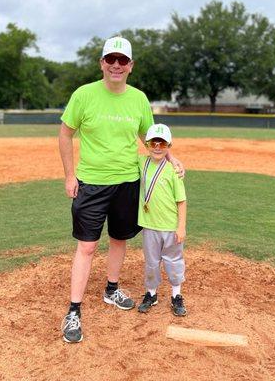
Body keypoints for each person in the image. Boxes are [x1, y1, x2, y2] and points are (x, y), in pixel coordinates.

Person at [58, 36, 183, 343]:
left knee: (118, 239)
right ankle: (74, 310)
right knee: (87, 246)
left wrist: (171, 157)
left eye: (122, 60)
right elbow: (65, 134)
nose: (116, 65)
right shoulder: (84, 95)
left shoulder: (139, 99)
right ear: (102, 63)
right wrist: (70, 175)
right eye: (110, 59)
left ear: (131, 66)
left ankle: (111, 289)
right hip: (91, 183)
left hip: (128, 182)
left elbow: (150, 138)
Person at [136, 124, 187, 317]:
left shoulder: (173, 171)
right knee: (151, 262)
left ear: (169, 145)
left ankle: (176, 295)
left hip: (170, 227)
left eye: (162, 142)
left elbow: (181, 201)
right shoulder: (141, 162)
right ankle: (151, 294)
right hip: (149, 226)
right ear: (147, 144)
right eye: (153, 142)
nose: (157, 146)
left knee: (173, 262)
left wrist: (181, 227)